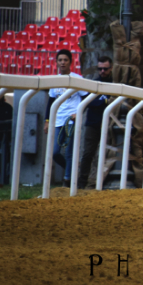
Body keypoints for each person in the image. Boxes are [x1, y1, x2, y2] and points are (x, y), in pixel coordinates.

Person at [46, 49, 85, 187]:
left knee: (69, 152)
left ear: (70, 62)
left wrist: (79, 113)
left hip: (72, 120)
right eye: (60, 60)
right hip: (57, 121)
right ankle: (72, 171)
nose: (62, 62)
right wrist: (47, 121)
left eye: (65, 60)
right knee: (55, 152)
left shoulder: (77, 79)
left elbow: (86, 98)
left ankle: (67, 179)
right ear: (56, 62)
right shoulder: (54, 80)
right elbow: (50, 102)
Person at [76, 56, 115, 189]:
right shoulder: (93, 83)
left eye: (105, 68)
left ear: (111, 68)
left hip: (110, 125)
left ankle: (104, 183)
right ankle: (81, 183)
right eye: (100, 69)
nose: (102, 71)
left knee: (108, 154)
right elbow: (89, 102)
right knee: (87, 154)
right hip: (93, 124)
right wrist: (104, 102)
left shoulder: (115, 84)